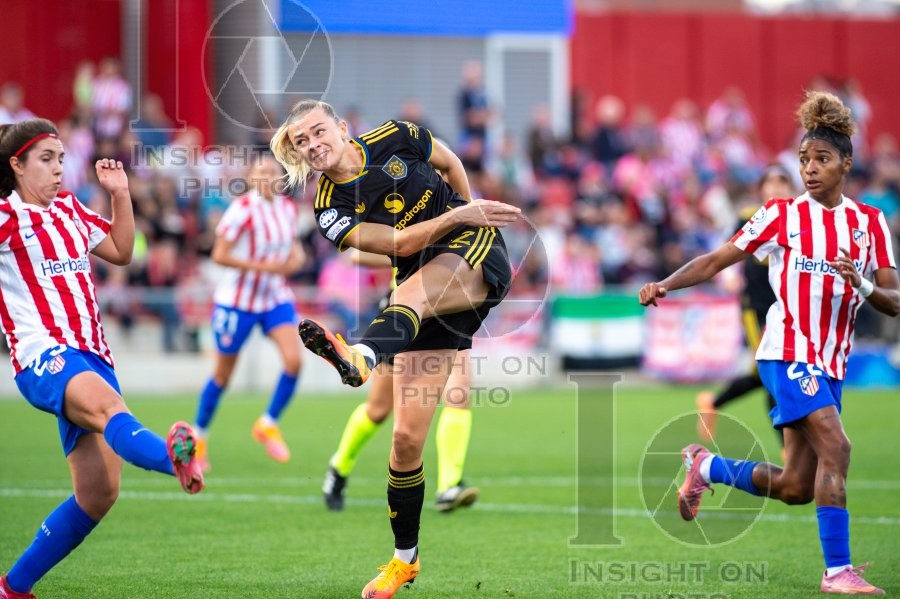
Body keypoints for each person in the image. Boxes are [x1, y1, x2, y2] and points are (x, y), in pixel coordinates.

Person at [639, 91, 899, 596]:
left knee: (796, 487)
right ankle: (837, 572)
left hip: (831, 363)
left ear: (846, 164)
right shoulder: (781, 215)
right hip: (787, 350)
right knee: (838, 446)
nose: (810, 168)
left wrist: (862, 284)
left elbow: (893, 299)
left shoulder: (869, 224)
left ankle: (705, 466)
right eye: (804, 159)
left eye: (822, 159)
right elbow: (716, 259)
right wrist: (666, 284)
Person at [271, 100, 519, 598]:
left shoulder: (396, 135)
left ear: (342, 128)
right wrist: (462, 214)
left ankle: (361, 355)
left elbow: (450, 162)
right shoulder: (329, 209)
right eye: (302, 142)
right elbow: (402, 245)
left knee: (409, 301)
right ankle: (404, 561)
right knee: (404, 440)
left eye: (319, 131)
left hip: (470, 251)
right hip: (419, 281)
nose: (313, 144)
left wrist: (468, 214)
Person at [0, 118, 204, 599]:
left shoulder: (69, 208)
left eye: (60, 159)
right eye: (46, 159)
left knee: (98, 495)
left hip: (93, 355)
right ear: (17, 165)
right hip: (43, 355)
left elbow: (122, 250)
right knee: (113, 410)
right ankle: (173, 458)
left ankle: (13, 588)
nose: (58, 168)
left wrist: (120, 194)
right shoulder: (6, 217)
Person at [322, 250, 479, 513]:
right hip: (405, 312)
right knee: (378, 409)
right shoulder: (412, 226)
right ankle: (339, 467)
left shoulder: (466, 227)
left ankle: (449, 486)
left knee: (459, 393)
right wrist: (408, 255)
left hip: (448, 312)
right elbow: (357, 256)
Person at [192, 154, 306, 470]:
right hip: (237, 302)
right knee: (223, 375)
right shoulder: (241, 209)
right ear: (251, 178)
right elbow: (219, 255)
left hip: (274, 297)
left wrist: (297, 258)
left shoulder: (287, 208)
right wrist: (261, 267)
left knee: (294, 361)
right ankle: (199, 437)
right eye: (261, 172)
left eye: (272, 172)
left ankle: (268, 423)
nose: (267, 177)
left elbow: (294, 247)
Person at [695, 164, 796, 447]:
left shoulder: (799, 218)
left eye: (782, 182)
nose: (776, 187)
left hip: (787, 308)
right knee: (772, 370)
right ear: (761, 188)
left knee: (768, 372)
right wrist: (728, 277)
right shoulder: (751, 216)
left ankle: (713, 402)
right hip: (756, 308)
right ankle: (787, 449)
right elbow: (726, 250)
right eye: (770, 182)